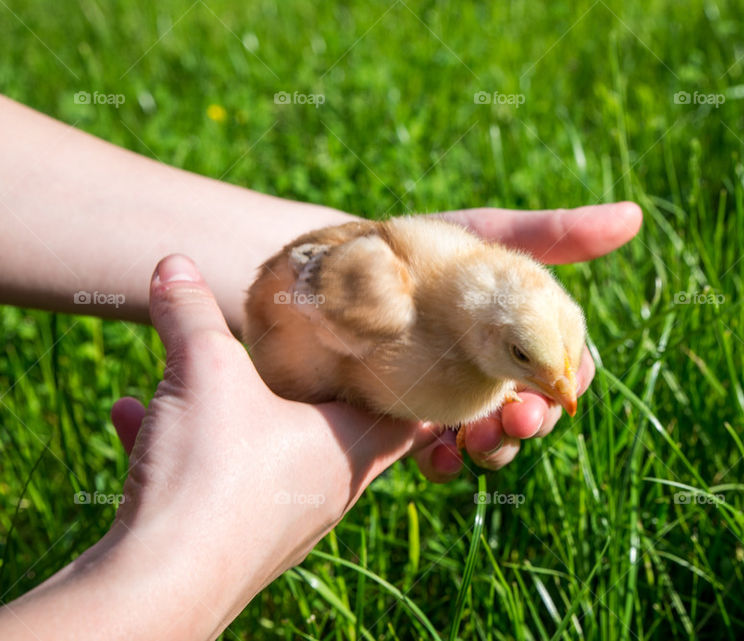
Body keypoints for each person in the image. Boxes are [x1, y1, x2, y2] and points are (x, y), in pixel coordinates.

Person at [0, 95, 642, 639]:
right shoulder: (388, 306)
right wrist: (189, 565)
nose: (555, 387)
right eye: (525, 359)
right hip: (310, 325)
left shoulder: (470, 326)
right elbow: (295, 279)